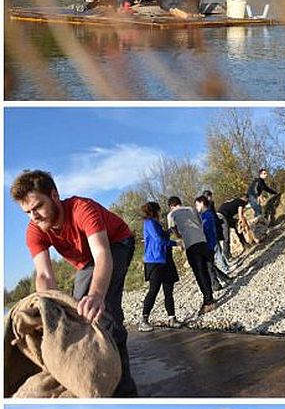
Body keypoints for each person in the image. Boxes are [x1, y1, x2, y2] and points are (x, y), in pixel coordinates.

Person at [10, 169, 137, 396]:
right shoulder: (34, 230)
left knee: (103, 311)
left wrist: (97, 296)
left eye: (38, 206)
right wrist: (46, 309)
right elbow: (44, 275)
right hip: (86, 262)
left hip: (117, 243)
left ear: (54, 195)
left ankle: (124, 389)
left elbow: (102, 255)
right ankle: (88, 371)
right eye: (27, 212)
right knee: (76, 309)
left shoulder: (82, 209)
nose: (34, 216)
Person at [167, 196, 215, 315]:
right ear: (180, 202)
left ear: (171, 206)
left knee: (199, 273)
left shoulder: (171, 215)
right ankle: (210, 297)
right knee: (205, 271)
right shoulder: (191, 209)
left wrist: (179, 236)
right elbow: (199, 223)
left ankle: (208, 302)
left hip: (191, 245)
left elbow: (173, 230)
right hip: (202, 241)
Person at [139, 201, 183, 331]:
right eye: (158, 211)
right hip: (154, 261)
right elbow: (158, 240)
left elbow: (161, 236)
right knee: (154, 290)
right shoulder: (149, 223)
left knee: (168, 291)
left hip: (165, 260)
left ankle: (172, 318)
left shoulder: (155, 223)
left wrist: (169, 231)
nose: (160, 214)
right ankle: (143, 320)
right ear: (155, 211)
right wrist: (176, 243)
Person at [195, 195, 227, 290]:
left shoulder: (207, 215)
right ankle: (225, 278)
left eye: (197, 205)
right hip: (209, 243)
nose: (196, 208)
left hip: (209, 243)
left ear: (202, 203)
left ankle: (215, 284)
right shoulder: (205, 215)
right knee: (210, 264)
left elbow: (206, 230)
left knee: (209, 266)